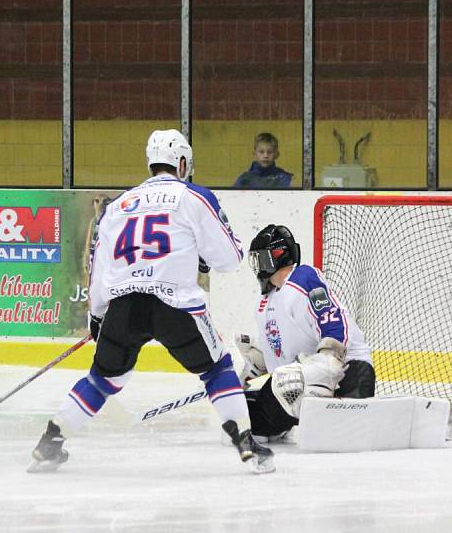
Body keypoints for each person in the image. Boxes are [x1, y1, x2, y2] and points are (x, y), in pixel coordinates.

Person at [28, 129, 274, 475]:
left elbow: (99, 266)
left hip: (124, 305)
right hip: (175, 304)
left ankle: (49, 442)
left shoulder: (118, 206)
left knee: (103, 379)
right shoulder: (194, 197)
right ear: (183, 162)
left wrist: (98, 315)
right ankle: (246, 443)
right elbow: (229, 259)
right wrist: (202, 256)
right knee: (216, 368)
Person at [236, 224, 375, 441]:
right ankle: (289, 418)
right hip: (298, 381)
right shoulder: (265, 300)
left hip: (348, 372)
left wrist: (328, 359)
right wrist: (257, 362)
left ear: (274, 257)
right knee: (250, 421)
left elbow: (332, 317)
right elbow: (281, 345)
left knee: (288, 386)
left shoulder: (302, 278)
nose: (258, 266)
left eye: (259, 258)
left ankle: (338, 408)